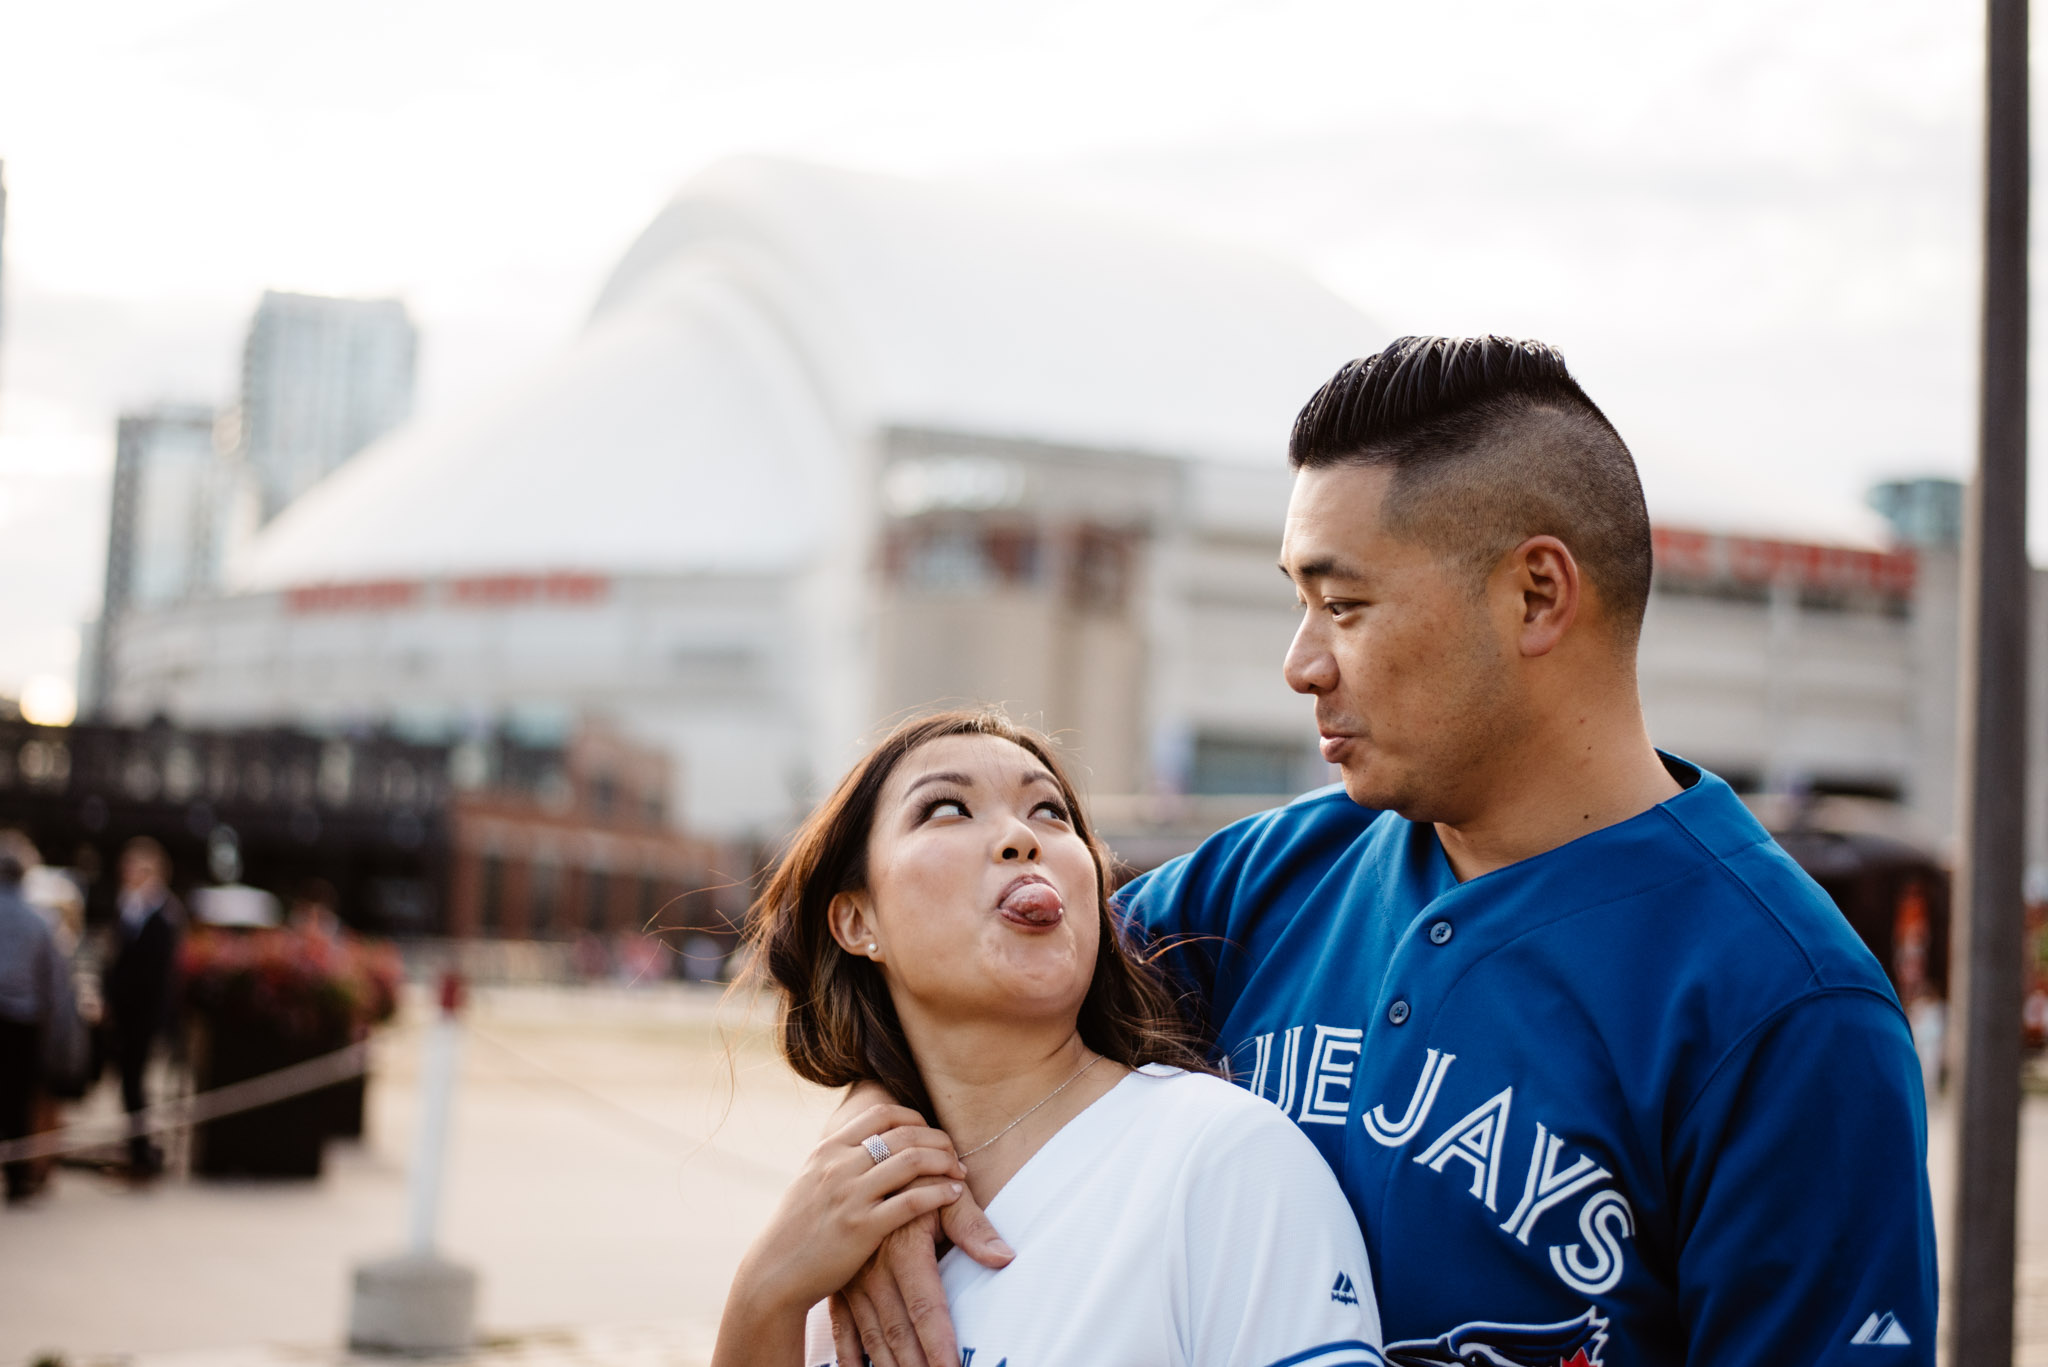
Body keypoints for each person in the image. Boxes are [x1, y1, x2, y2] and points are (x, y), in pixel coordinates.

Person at [839, 337, 1938, 1366]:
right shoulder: (1258, 887)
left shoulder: (1787, 1010)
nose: (1299, 662)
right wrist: (871, 1150)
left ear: (1535, 593)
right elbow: (965, 1000)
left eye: (1343, 604)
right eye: (1296, 603)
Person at [714, 709, 1384, 1367]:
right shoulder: (835, 1230)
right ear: (857, 920)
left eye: (1050, 812)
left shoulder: (1225, 1161)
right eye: (947, 809)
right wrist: (761, 1295)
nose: (1019, 836)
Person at [0, 834, 80, 1202]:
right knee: (18, 1100)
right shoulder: (39, 921)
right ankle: (18, 1178)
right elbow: (55, 982)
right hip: (23, 1022)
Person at [103, 837, 182, 1178]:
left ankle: (141, 1153)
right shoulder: (131, 908)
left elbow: (151, 973)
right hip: (127, 1013)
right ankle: (137, 1150)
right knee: (129, 1081)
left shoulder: (162, 914)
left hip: (143, 1015)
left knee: (135, 1081)